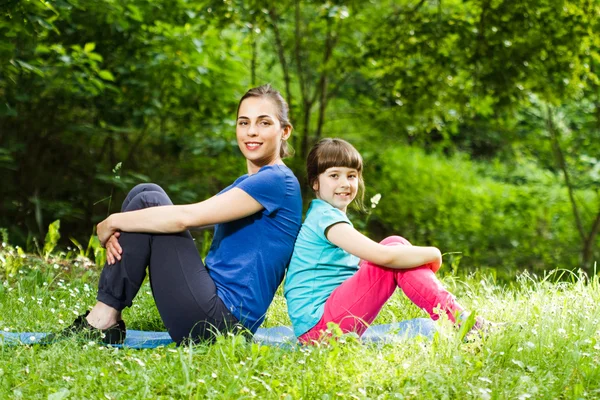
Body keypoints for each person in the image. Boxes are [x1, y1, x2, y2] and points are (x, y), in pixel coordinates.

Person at [63, 84, 303, 345]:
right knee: (144, 193)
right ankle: (105, 316)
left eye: (264, 123)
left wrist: (112, 222)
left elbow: (186, 218)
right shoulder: (247, 182)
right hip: (211, 308)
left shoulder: (277, 181)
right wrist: (126, 224)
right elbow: (180, 218)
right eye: (243, 122)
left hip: (222, 325)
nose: (251, 131)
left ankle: (102, 321)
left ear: (285, 131)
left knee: (147, 200)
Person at [284, 138, 483, 343]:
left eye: (351, 176)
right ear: (315, 182)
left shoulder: (326, 216)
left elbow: (365, 262)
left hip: (325, 323)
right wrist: (433, 253)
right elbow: (383, 257)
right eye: (334, 175)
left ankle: (462, 320)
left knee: (394, 242)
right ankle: (462, 321)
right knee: (391, 254)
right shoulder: (326, 219)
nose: (345, 183)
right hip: (320, 329)